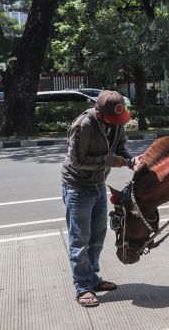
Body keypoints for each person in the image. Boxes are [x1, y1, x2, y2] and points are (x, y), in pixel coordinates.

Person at [61, 90, 136, 307]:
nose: (116, 124)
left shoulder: (116, 123)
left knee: (97, 237)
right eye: (112, 119)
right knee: (80, 240)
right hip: (78, 187)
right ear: (99, 112)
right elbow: (77, 160)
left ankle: (93, 278)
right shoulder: (83, 125)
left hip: (98, 185)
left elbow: (121, 148)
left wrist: (132, 160)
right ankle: (82, 287)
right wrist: (109, 161)